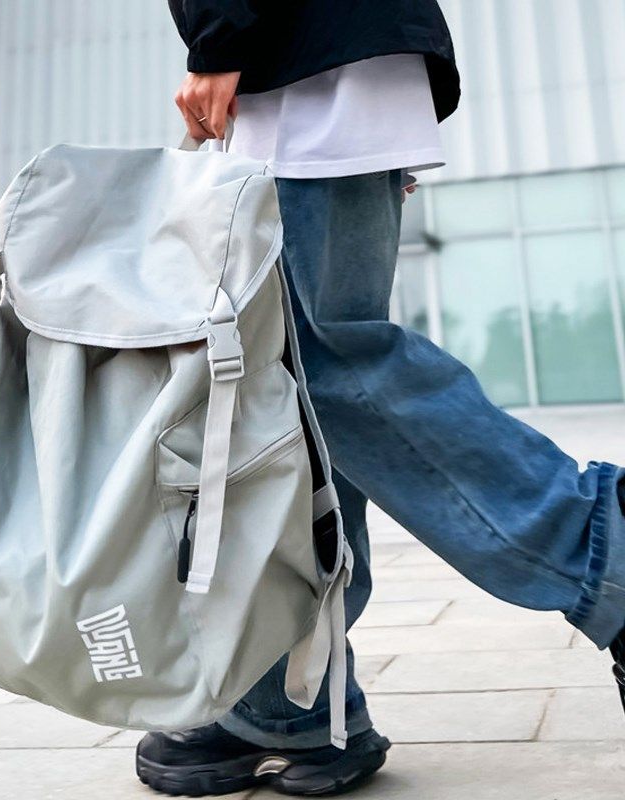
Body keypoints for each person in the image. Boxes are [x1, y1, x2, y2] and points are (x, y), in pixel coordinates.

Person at [136, 1, 625, 796]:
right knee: (289, 407)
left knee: (323, 368)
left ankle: (604, 549)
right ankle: (288, 700)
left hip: (301, 74)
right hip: (334, 75)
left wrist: (224, 31)